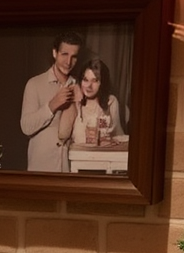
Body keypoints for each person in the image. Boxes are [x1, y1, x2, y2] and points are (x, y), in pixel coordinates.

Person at [19, 31, 84, 172]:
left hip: (70, 169)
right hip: (41, 169)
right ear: (55, 53)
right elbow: (26, 127)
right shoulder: (34, 84)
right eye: (64, 54)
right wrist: (52, 105)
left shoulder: (80, 86)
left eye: (74, 57)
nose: (68, 62)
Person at [70, 56, 125, 148]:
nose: (89, 86)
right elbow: (63, 136)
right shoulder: (76, 102)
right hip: (77, 158)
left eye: (95, 80)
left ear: (102, 82)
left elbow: (119, 135)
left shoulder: (111, 102)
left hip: (103, 158)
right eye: (85, 80)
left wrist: (111, 141)